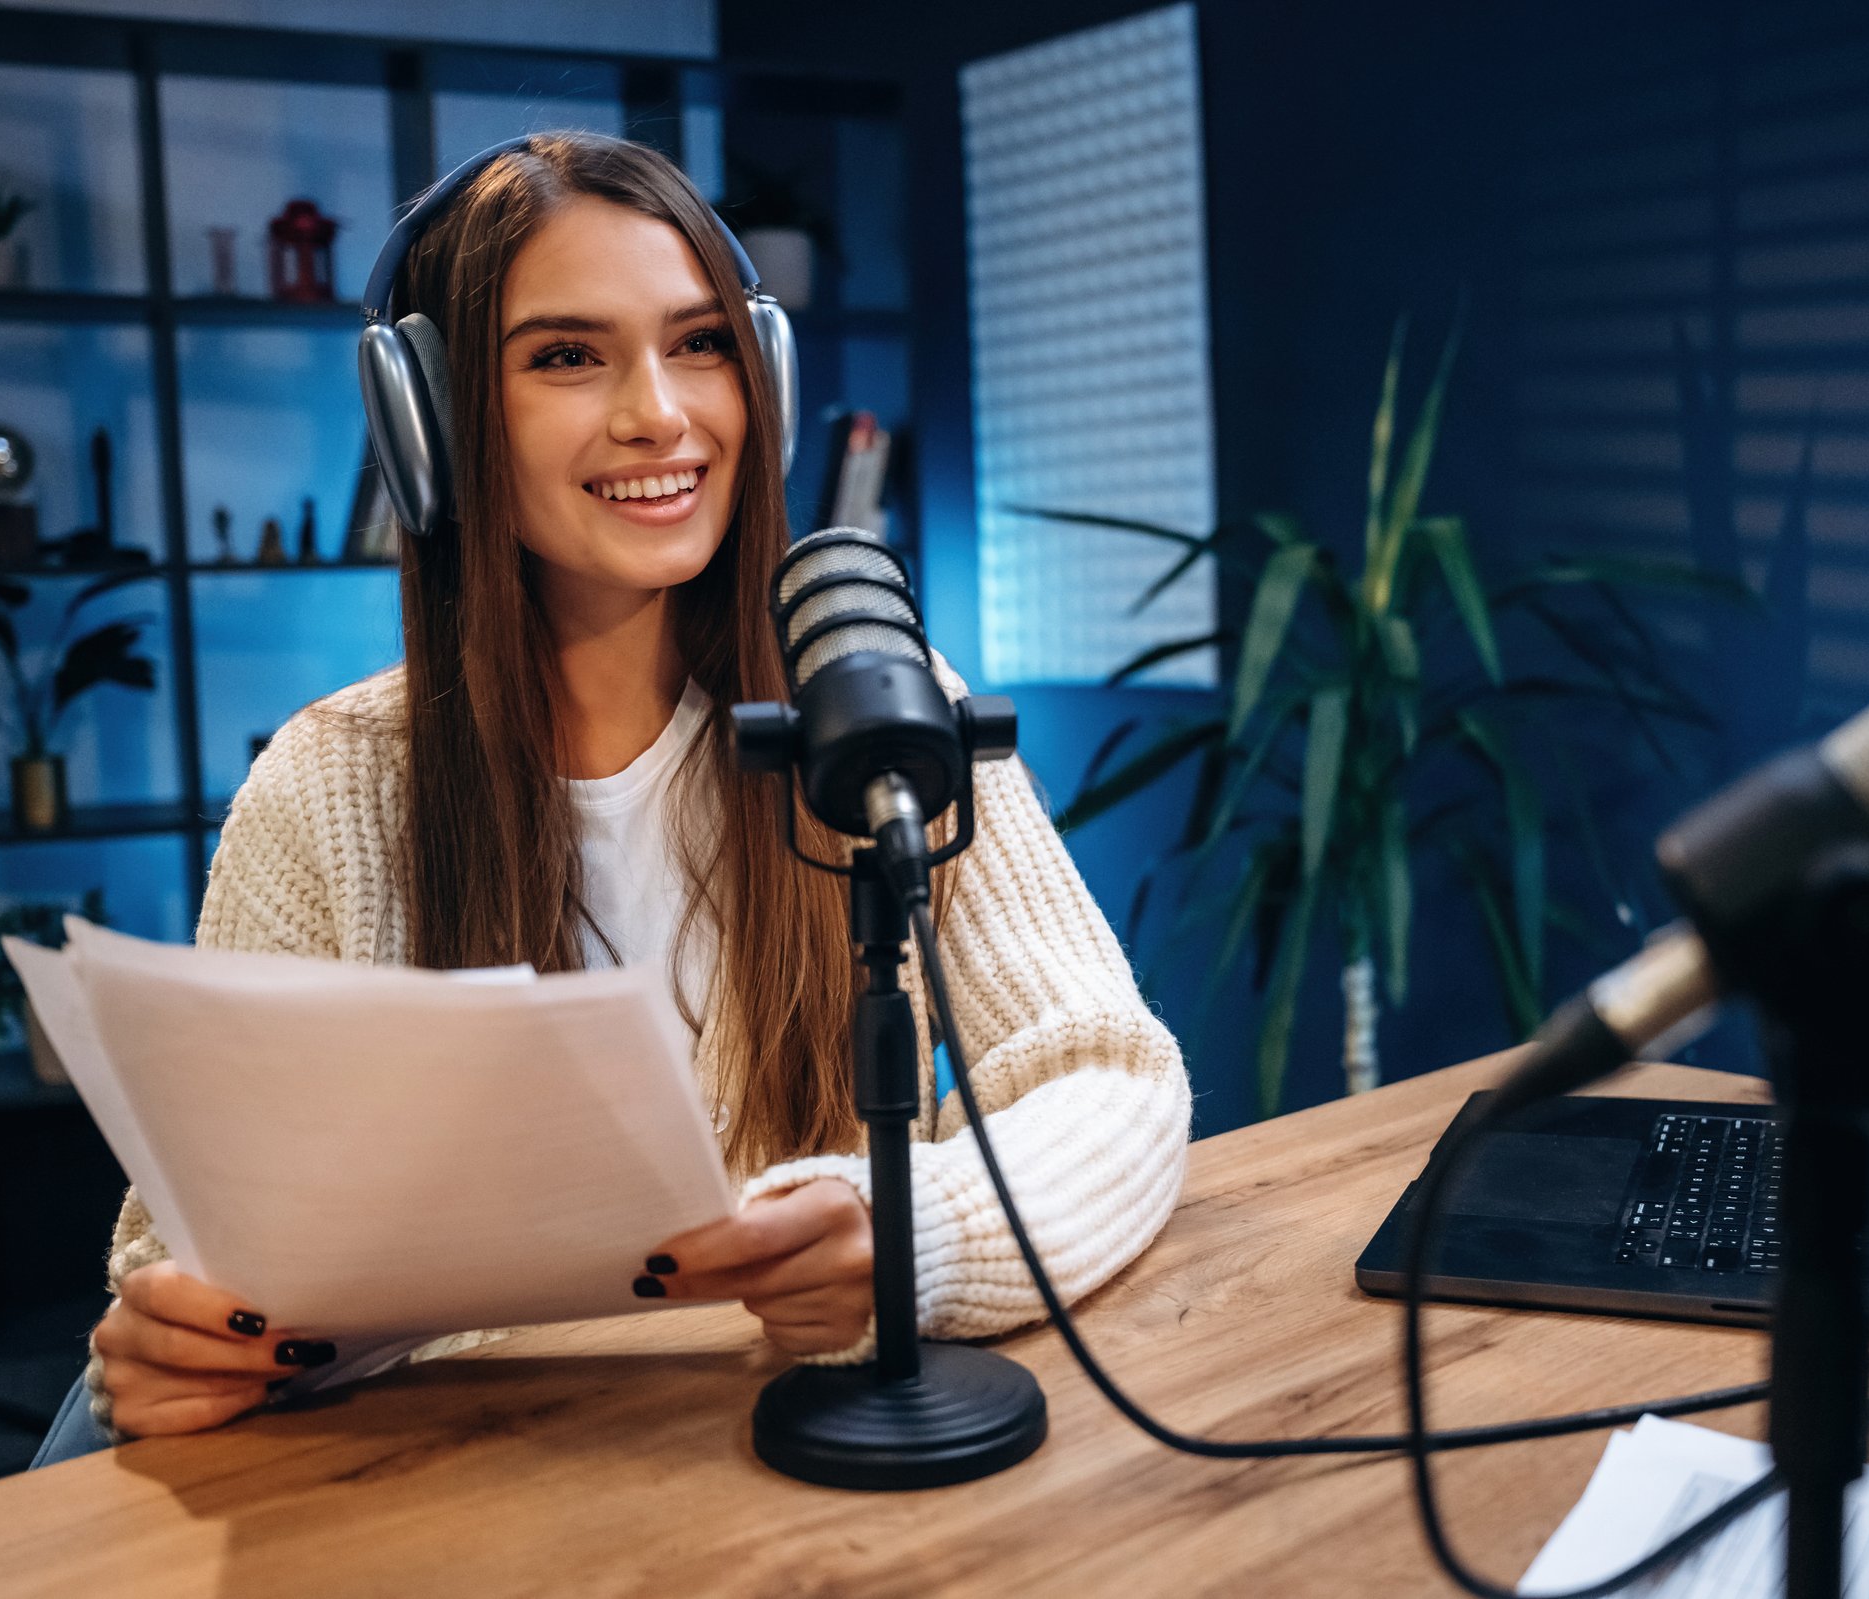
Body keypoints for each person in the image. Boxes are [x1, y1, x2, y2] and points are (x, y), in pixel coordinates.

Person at [59, 133, 1191, 1451]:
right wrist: (180, 1340)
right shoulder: (327, 785)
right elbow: (185, 1250)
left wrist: (908, 1235)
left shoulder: (871, 708)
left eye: (701, 342)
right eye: (566, 356)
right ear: (427, 420)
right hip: (446, 1492)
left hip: (767, 1482)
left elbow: (1109, 1077)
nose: (662, 412)